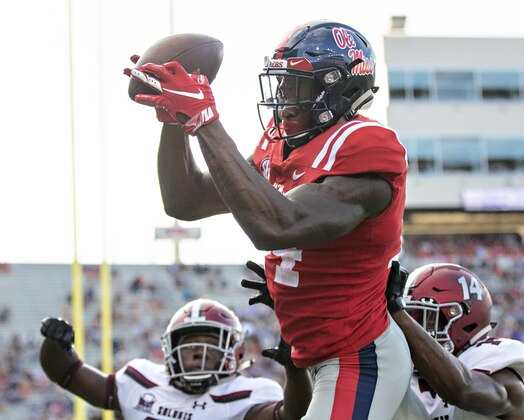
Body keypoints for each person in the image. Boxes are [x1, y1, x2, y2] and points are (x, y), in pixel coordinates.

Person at [126, 20, 412, 419]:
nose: (283, 97)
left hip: (358, 354)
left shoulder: (366, 147)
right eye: (280, 83)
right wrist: (176, 122)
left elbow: (279, 225)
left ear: (338, 87)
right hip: (316, 352)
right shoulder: (280, 146)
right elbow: (185, 200)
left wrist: (204, 119)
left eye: (296, 84)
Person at [39, 298, 312, 419]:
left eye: (209, 343)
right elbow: (68, 373)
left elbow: (291, 414)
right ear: (169, 349)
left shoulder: (250, 392)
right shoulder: (141, 378)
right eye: (188, 342)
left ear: (233, 352)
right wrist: (56, 344)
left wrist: (295, 370)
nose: (197, 350)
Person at [387, 263, 524, 419]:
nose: (413, 329)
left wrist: (397, 312)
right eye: (411, 318)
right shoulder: (408, 379)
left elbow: (463, 391)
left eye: (425, 320)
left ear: (465, 323)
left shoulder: (494, 362)